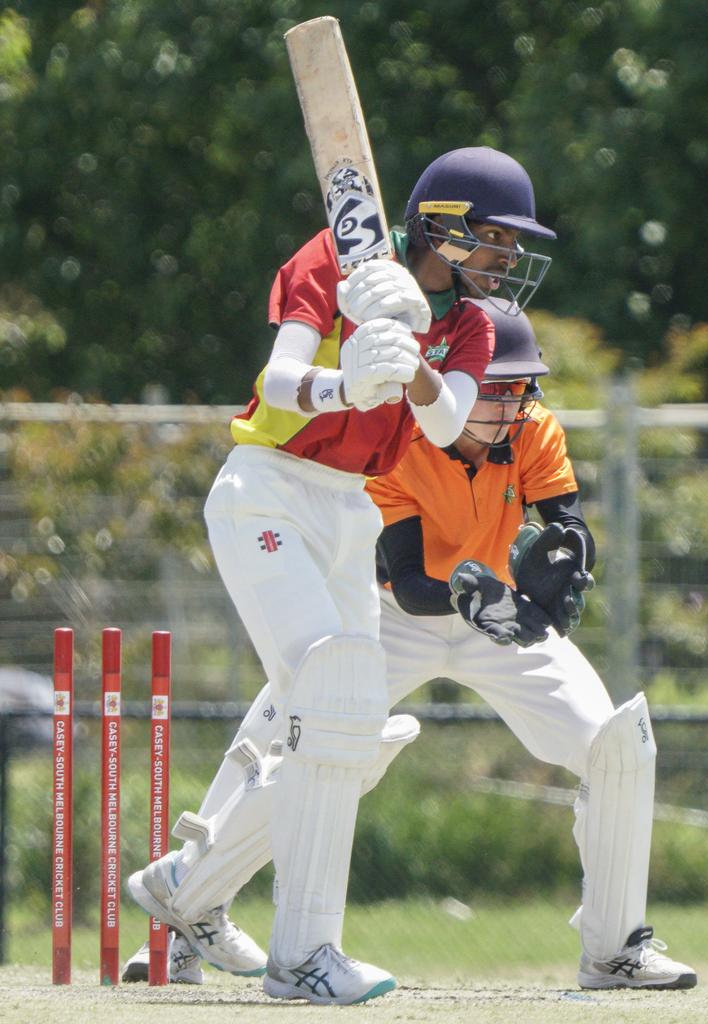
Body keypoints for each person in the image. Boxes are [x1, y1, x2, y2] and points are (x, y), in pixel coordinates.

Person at [125, 301, 697, 993]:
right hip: (391, 614)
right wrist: (472, 593)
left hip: (498, 618)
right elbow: (408, 576)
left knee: (617, 744)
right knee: (303, 740)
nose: (512, 403)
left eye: (522, 388)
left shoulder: (535, 429)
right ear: (457, 384)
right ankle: (185, 916)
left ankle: (615, 952)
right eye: (497, 388)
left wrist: (571, 557)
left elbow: (566, 518)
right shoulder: (403, 439)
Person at [126, 147, 558, 1004]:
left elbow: (446, 426)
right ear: (446, 223)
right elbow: (278, 382)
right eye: (499, 240)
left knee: (353, 727)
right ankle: (303, 959)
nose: (510, 261)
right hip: (268, 491)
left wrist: (411, 359)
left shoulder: (468, 325)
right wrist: (345, 382)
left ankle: (188, 887)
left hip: (352, 507)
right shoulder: (334, 259)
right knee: (333, 688)